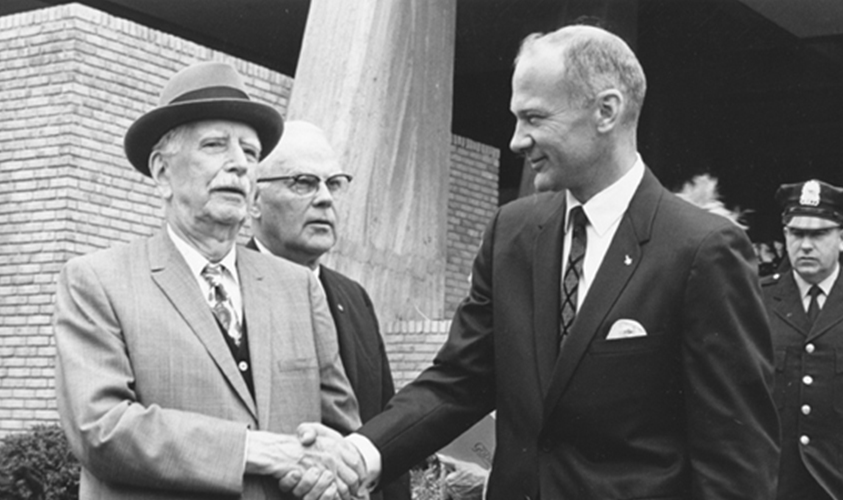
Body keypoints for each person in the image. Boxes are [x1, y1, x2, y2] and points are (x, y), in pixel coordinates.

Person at [298, 24, 781, 499]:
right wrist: (360, 452)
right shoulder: (512, 233)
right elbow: (460, 381)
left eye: (533, 118)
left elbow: (736, 457)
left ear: (606, 111)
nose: (516, 139)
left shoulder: (703, 249)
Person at [53, 61, 364, 499]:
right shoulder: (97, 282)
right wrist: (259, 450)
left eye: (252, 153)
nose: (238, 164)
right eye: (216, 145)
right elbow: (101, 429)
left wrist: (329, 472)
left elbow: (340, 433)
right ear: (162, 171)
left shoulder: (300, 288)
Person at [246, 120, 410, 500]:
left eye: (334, 183)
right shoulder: (229, 292)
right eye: (303, 182)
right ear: (253, 200)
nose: (325, 198)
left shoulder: (354, 298)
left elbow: (384, 422)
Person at [762, 179, 843, 500]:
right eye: (797, 233)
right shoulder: (755, 299)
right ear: (785, 235)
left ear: (841, 237)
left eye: (819, 234)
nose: (805, 245)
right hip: (776, 485)